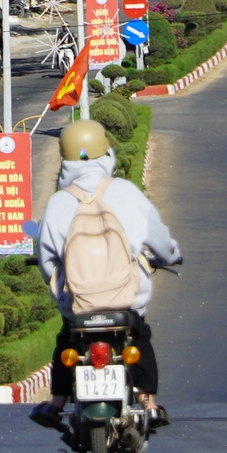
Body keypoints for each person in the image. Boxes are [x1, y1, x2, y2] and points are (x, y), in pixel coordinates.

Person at [29, 118, 182, 432]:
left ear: (65, 159)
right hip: (126, 302)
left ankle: (57, 402)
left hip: (77, 307)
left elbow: (47, 262)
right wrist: (171, 256)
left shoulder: (58, 203)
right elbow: (160, 241)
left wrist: (61, 291)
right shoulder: (126, 193)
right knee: (139, 338)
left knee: (65, 341)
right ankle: (148, 403)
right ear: (106, 153)